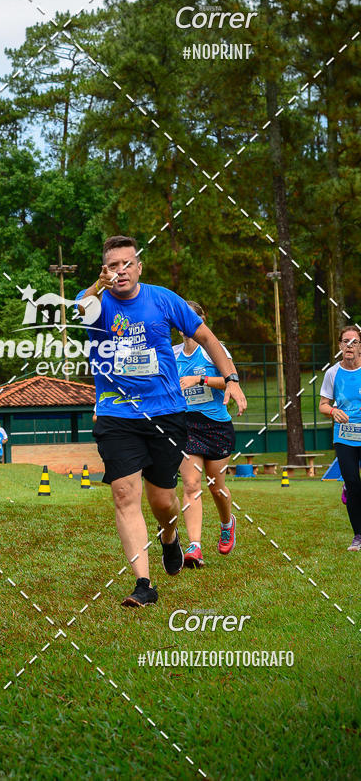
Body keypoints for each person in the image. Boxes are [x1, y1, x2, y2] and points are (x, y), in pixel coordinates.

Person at [77, 235, 247, 607]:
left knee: (163, 501)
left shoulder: (163, 299)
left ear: (139, 267)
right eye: (112, 266)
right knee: (124, 494)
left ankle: (169, 536)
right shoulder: (95, 301)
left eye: (127, 264)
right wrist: (95, 286)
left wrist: (231, 379)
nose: (120, 271)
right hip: (116, 413)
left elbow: (207, 337)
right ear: (104, 270)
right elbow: (75, 312)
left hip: (166, 414)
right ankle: (143, 584)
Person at [174, 301, 237, 568]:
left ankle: (227, 523)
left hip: (216, 425)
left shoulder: (214, 349)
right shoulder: (172, 354)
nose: (188, 324)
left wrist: (200, 380)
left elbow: (231, 381)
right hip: (187, 427)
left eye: (194, 317)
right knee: (190, 484)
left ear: (202, 319)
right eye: (183, 319)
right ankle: (195, 546)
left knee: (215, 486)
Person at [319, 325, 361, 551]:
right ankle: (358, 535)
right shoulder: (332, 373)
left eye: (354, 341)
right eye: (346, 341)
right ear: (339, 346)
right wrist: (333, 411)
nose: (350, 346)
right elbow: (323, 405)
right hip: (344, 437)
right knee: (354, 484)